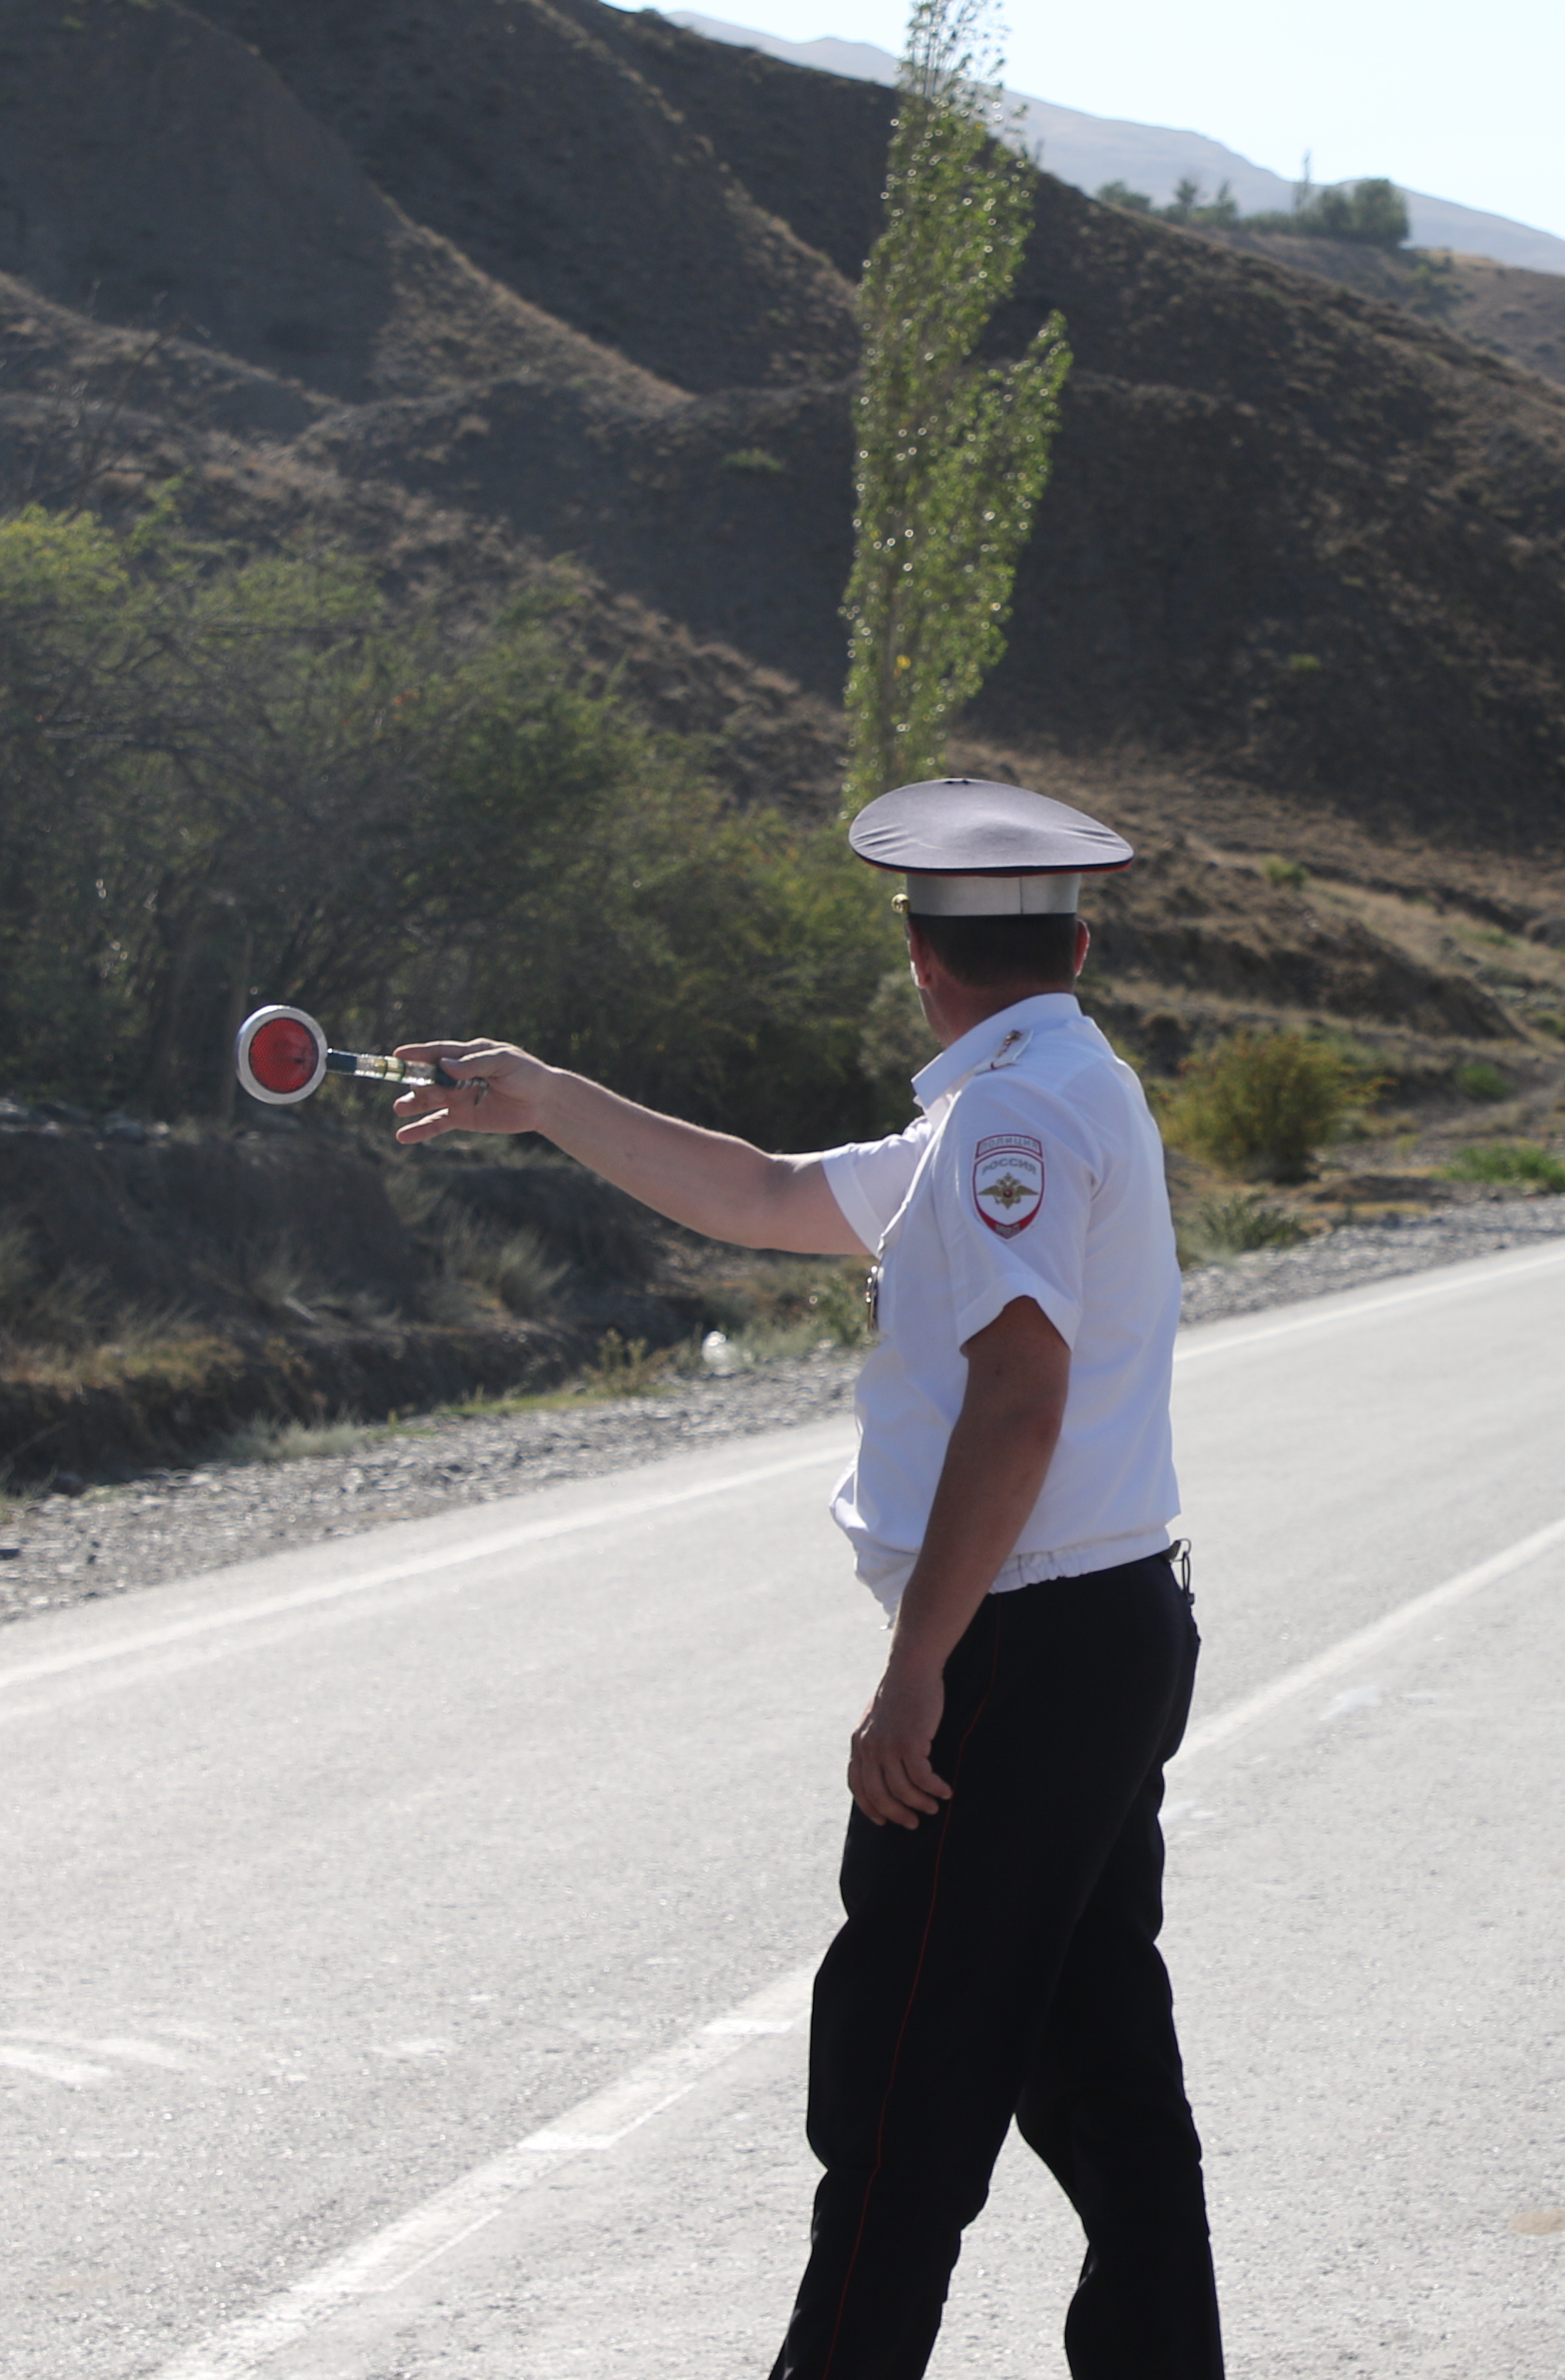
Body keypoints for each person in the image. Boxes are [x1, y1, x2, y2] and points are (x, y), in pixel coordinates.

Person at [389, 777, 1222, 2380]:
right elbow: (770, 1195)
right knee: (1100, 2068)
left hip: (1025, 1647)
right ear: (1083, 943)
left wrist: (921, 1667)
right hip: (1101, 1627)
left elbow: (1021, 1394)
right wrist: (548, 1097)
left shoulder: (1009, 1122)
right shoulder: (1053, 1086)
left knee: (905, 2092)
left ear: (919, 957)